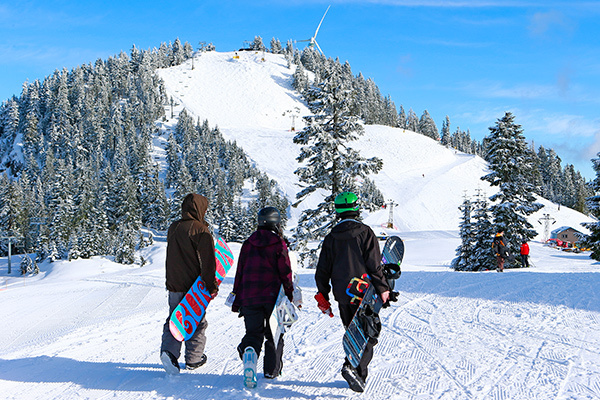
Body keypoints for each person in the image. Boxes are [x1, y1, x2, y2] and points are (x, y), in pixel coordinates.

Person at [314, 191, 390, 392]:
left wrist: (323, 295)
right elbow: (374, 265)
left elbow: (322, 270)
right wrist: (383, 288)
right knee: (369, 334)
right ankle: (354, 369)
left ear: (338, 211)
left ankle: (356, 371)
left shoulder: (331, 238)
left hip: (344, 295)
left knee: (353, 332)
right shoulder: (366, 233)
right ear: (356, 208)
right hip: (365, 293)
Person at [232, 207, 294, 379]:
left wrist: (237, 297)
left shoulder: (248, 243)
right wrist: (289, 292)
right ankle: (271, 371)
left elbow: (240, 272)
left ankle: (250, 355)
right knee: (274, 334)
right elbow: (286, 271)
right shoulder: (277, 243)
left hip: (249, 297)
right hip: (272, 298)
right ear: (276, 222)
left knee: (253, 333)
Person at [160, 193, 218, 374]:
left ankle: (169, 353)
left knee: (175, 319)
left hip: (174, 284)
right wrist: (211, 286)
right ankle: (194, 359)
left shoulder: (173, 228)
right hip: (194, 287)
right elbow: (208, 263)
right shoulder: (201, 230)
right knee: (196, 321)